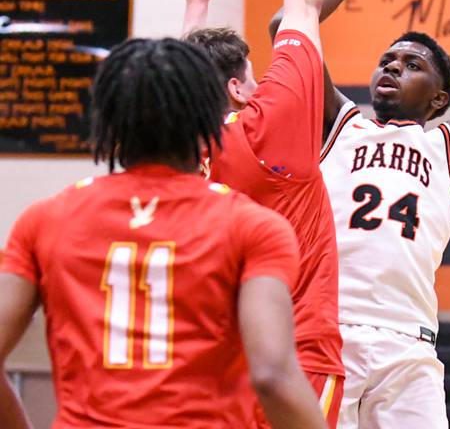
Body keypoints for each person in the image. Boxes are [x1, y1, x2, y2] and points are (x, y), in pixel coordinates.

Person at [268, 0, 450, 428]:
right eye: (388, 60)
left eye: (413, 64)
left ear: (441, 98)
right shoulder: (340, 122)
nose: (394, 67)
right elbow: (287, 23)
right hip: (327, 332)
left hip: (409, 347)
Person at [0, 38, 326, 429]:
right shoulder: (252, 226)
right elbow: (273, 376)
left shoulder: (45, 219)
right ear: (210, 119)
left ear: (105, 121)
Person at [168, 0, 345, 426]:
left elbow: (182, 85)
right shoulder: (267, 131)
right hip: (294, 356)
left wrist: (194, 11)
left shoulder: (176, 148)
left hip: (209, 359)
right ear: (242, 91)